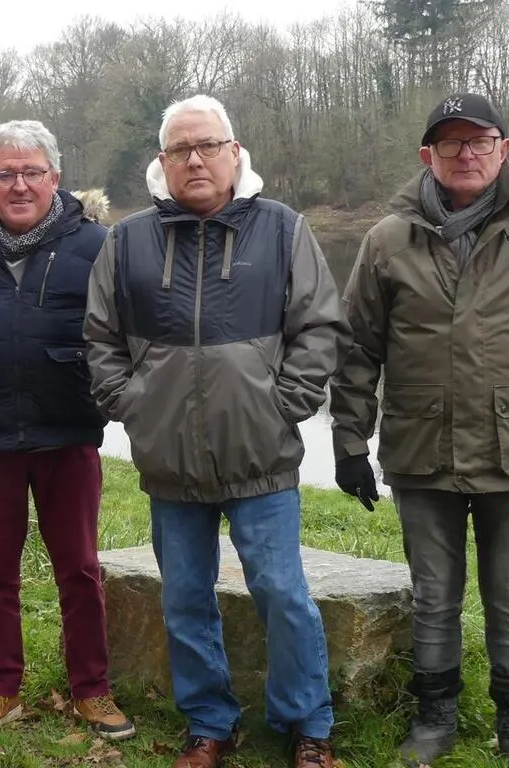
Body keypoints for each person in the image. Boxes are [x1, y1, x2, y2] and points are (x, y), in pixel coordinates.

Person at [83, 95, 351, 768]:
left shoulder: (283, 229)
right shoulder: (128, 240)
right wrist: (133, 404)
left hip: (261, 455)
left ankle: (308, 725)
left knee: (283, 593)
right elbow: (100, 337)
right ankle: (210, 724)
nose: (195, 160)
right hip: (169, 460)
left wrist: (282, 402)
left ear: (236, 153)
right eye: (181, 150)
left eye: (208, 146)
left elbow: (319, 327)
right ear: (162, 163)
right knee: (184, 599)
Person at [0, 119, 135, 741]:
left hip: (68, 429)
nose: (19, 185)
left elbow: (119, 335)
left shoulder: (96, 243)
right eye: (5, 174)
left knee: (79, 566)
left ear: (56, 178)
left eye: (32, 172)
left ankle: (92, 689)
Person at [329, 92, 509, 766]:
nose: (466, 154)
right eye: (451, 143)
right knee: (434, 597)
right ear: (426, 156)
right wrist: (349, 442)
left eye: (480, 141)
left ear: (504, 149)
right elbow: (356, 350)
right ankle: (434, 721)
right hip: (420, 452)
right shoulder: (386, 240)